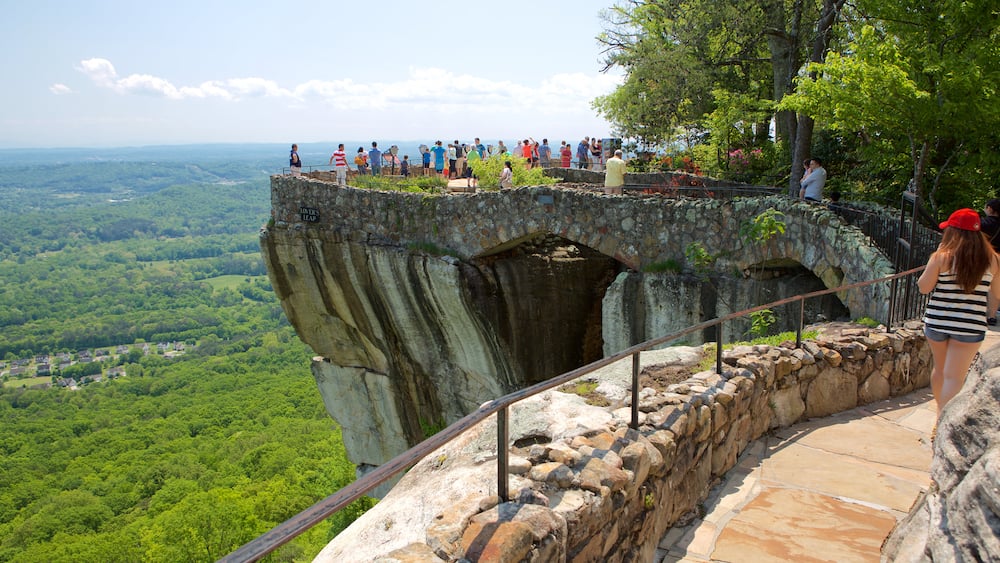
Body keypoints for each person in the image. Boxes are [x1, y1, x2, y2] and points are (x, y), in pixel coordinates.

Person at [918, 208, 1000, 419]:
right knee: (955, 377)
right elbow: (998, 292)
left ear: (952, 231)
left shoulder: (941, 257)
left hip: (937, 323)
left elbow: (924, 287)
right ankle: (943, 420)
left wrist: (934, 260)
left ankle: (940, 415)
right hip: (970, 326)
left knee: (940, 369)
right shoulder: (993, 260)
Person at [980, 199, 1000, 324]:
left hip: (984, 256)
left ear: (990, 209)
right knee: (995, 287)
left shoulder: (983, 223)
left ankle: (977, 312)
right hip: (999, 258)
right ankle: (991, 316)